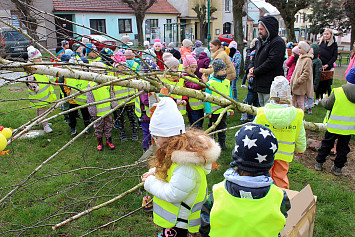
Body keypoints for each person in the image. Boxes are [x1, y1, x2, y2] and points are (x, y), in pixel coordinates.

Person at [141, 96, 221, 237]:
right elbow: (171, 170)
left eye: (156, 136)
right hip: (175, 221)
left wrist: (150, 183)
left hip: (180, 223)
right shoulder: (177, 152)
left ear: (167, 135)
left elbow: (174, 193)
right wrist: (155, 172)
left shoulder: (185, 165)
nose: (154, 140)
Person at [200, 124, 290, 237]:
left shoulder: (218, 192)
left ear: (236, 154)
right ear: (269, 162)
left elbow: (204, 222)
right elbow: (282, 220)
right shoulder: (279, 196)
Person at [254, 76, 306, 189]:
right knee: (281, 176)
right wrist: (301, 149)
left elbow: (252, 132)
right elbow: (300, 135)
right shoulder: (297, 114)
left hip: (264, 153)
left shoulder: (262, 113)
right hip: (284, 153)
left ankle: (264, 195)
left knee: (264, 175)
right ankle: (282, 197)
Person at [315, 65, 355, 176]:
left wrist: (323, 99)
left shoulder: (338, 91)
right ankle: (338, 168)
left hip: (334, 126)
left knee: (327, 144)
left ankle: (319, 163)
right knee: (343, 148)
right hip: (348, 128)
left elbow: (328, 105)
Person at [248, 16, 286, 107]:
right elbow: (255, 57)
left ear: (269, 29)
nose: (259, 31)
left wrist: (255, 72)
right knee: (262, 107)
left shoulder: (277, 42)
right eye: (258, 29)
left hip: (271, 84)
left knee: (270, 109)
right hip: (260, 83)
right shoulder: (261, 41)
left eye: (261, 29)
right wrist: (251, 68)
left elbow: (271, 62)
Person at [25, 46, 57, 133]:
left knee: (41, 108)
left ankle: (40, 121)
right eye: (37, 58)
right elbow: (30, 81)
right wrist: (36, 88)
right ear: (32, 59)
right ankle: (45, 125)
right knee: (42, 110)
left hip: (43, 93)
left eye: (40, 57)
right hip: (38, 93)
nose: (40, 59)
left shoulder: (39, 66)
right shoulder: (30, 68)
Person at [205, 58, 234, 150]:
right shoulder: (210, 83)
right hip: (214, 112)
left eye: (225, 69)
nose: (224, 72)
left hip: (223, 111)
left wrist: (230, 108)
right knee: (213, 128)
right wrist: (208, 111)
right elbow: (207, 98)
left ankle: (222, 144)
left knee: (223, 128)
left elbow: (229, 96)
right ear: (216, 71)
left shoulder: (227, 82)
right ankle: (212, 145)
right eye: (222, 70)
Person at [87, 61, 115, 151]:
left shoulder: (107, 82)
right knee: (98, 126)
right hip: (98, 112)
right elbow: (90, 99)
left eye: (102, 72)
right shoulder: (91, 85)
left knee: (108, 125)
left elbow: (111, 93)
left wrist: (114, 104)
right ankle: (99, 141)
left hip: (108, 110)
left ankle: (108, 140)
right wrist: (92, 111)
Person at [60, 54, 91, 136]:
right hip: (73, 100)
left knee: (86, 114)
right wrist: (70, 94)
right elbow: (65, 87)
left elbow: (89, 85)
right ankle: (72, 127)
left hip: (84, 100)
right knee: (72, 115)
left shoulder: (85, 75)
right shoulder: (68, 77)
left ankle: (87, 126)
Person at [112, 51, 138, 141]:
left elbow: (135, 86)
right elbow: (111, 89)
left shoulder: (130, 74)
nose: (122, 66)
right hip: (119, 102)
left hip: (130, 101)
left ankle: (134, 132)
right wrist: (113, 100)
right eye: (120, 65)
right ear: (116, 66)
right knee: (120, 118)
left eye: (124, 64)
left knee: (132, 117)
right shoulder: (113, 76)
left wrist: (135, 97)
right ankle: (122, 133)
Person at [135, 58, 160, 152]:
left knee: (152, 130)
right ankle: (146, 147)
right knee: (147, 132)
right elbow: (146, 100)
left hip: (150, 113)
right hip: (145, 114)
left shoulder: (151, 83)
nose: (156, 75)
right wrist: (159, 101)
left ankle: (152, 145)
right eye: (154, 73)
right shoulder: (143, 85)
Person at [183, 55, 206, 129]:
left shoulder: (194, 76)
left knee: (200, 123)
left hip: (199, 105)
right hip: (192, 107)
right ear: (185, 68)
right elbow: (193, 86)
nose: (194, 69)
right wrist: (202, 84)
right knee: (196, 125)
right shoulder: (186, 78)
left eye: (195, 67)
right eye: (191, 67)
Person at [290, 41, 314, 111]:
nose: (299, 50)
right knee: (292, 101)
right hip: (295, 83)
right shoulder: (300, 58)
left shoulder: (308, 60)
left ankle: (301, 118)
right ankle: (292, 115)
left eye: (300, 48)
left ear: (305, 49)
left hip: (301, 85)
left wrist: (298, 81)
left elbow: (306, 73)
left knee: (300, 102)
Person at [316, 28, 338, 104]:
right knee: (319, 82)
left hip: (328, 65)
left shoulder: (334, 44)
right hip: (320, 65)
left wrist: (328, 64)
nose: (326, 35)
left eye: (327, 34)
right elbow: (318, 53)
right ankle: (318, 98)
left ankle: (328, 98)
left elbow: (334, 56)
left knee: (327, 83)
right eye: (325, 34)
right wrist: (320, 64)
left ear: (331, 35)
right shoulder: (321, 43)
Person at [308, 43, 323, 115]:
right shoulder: (309, 59)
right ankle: (305, 105)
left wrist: (315, 84)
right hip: (307, 80)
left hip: (312, 81)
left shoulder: (317, 61)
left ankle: (309, 107)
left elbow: (317, 74)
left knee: (310, 95)